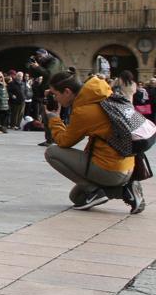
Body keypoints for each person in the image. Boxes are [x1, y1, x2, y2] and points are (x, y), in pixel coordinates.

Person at [44, 72, 137, 212]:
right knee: (77, 197)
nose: (55, 98)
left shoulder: (84, 110)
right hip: (127, 166)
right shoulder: (103, 94)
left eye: (55, 94)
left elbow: (64, 142)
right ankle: (126, 190)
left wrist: (54, 118)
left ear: (67, 91)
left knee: (52, 152)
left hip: (111, 170)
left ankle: (95, 191)